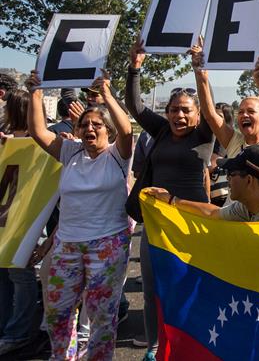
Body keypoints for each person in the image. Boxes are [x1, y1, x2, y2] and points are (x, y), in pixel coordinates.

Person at [26, 70, 133, 361]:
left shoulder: (118, 155)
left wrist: (107, 94)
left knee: (101, 316)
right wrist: (36, 90)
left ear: (107, 131)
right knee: (58, 311)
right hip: (67, 245)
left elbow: (126, 132)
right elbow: (38, 131)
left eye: (97, 124)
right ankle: (63, 357)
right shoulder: (70, 152)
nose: (89, 129)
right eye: (84, 124)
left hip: (107, 244)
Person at [125, 39, 214, 361]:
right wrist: (135, 67)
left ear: (197, 114)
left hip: (193, 225)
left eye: (185, 110)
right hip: (156, 224)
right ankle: (154, 344)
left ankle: (194, 343)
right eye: (173, 109)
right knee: (153, 289)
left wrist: (198, 68)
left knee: (191, 289)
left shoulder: (204, 136)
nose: (178, 115)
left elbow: (210, 106)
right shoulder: (161, 131)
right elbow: (135, 107)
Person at [144, 145, 259, 221]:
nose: (227, 179)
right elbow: (212, 214)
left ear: (249, 180)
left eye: (231, 173)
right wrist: (170, 199)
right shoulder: (246, 206)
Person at [189, 38, 259, 157]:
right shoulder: (234, 142)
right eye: (240, 112)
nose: (244, 115)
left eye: (251, 111)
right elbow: (210, 115)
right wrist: (200, 73)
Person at [0, 89, 38, 356]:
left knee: (19, 273)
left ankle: (19, 331)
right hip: (6, 217)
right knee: (4, 273)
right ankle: (6, 326)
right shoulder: (7, 137)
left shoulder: (40, 141)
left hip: (24, 217)